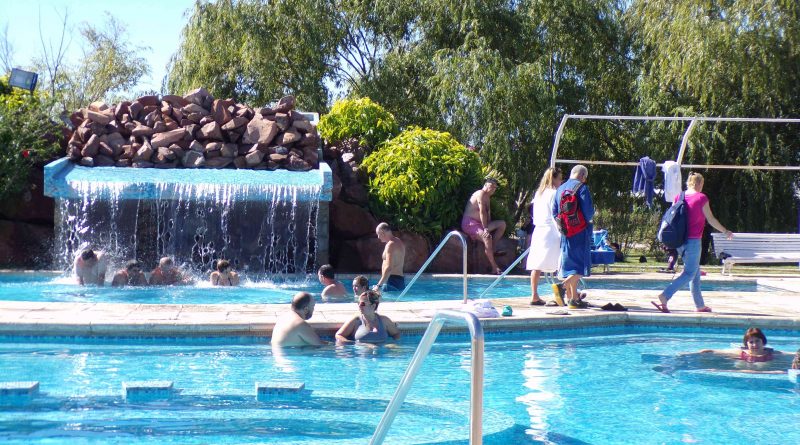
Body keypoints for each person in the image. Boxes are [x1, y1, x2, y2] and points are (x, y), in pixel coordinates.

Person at [651, 172, 733, 313]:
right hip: (693, 241)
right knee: (689, 273)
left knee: (694, 273)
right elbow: (711, 219)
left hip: (679, 241)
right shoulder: (701, 198)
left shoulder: (679, 196)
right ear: (699, 183)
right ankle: (665, 296)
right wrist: (725, 231)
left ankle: (699, 305)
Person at [551, 165, 594, 308]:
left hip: (566, 232)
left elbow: (555, 212)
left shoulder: (560, 189)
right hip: (581, 232)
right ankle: (562, 287)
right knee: (581, 267)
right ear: (583, 176)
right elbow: (588, 213)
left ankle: (574, 299)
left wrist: (563, 226)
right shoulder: (582, 188)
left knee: (571, 267)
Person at [526, 167, 563, 305]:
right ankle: (563, 294)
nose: (561, 181)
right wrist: (562, 232)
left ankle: (534, 295)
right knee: (560, 262)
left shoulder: (539, 193)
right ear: (553, 179)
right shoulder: (554, 193)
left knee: (537, 264)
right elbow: (555, 215)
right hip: (550, 231)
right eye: (559, 178)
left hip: (539, 230)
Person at [461, 177, 507, 274]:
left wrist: (488, 226)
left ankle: (492, 248)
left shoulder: (488, 198)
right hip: (470, 224)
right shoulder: (480, 193)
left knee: (502, 224)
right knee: (487, 238)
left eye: (495, 187)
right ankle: (494, 268)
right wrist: (486, 229)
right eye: (491, 186)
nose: (493, 189)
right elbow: (482, 212)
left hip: (481, 225)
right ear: (486, 185)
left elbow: (488, 214)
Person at [335, 289, 400, 344]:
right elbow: (339, 335)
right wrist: (353, 344)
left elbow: (396, 334)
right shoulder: (356, 320)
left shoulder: (384, 320)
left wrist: (393, 345)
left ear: (373, 306)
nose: (359, 306)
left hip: (381, 357)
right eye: (358, 303)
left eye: (362, 304)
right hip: (362, 357)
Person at [375, 222, 406, 291]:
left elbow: (389, 267)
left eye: (378, 234)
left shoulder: (391, 245)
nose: (378, 237)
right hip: (398, 281)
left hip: (391, 281)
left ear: (383, 232)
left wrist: (379, 285)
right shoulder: (398, 241)